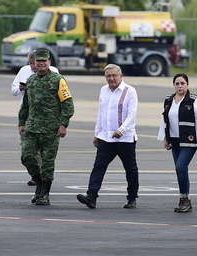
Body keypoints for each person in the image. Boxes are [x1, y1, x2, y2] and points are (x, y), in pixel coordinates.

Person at [77, 64, 139, 209]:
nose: (111, 78)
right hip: (106, 138)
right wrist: (97, 134)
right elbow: (101, 114)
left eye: (114, 75)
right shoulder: (103, 90)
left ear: (120, 76)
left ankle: (132, 198)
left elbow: (132, 115)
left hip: (125, 138)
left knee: (130, 169)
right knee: (98, 167)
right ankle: (91, 197)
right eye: (108, 76)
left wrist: (121, 130)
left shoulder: (129, 91)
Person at [18, 48, 74, 206]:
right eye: (38, 61)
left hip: (51, 129)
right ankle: (39, 184)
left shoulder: (58, 80)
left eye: (44, 61)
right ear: (34, 63)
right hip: (32, 128)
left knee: (47, 164)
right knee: (27, 157)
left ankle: (44, 194)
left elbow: (68, 105)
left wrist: (63, 125)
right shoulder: (31, 81)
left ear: (49, 62)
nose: (41, 64)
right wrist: (22, 123)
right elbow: (25, 105)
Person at [157, 73, 197, 213]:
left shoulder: (193, 100)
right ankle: (184, 199)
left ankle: (185, 199)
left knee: (181, 166)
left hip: (189, 140)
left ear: (187, 85)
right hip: (174, 141)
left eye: (182, 83)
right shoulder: (168, 100)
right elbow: (165, 120)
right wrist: (165, 138)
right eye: (177, 83)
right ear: (174, 85)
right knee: (180, 170)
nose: (180, 86)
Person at [11, 51, 59, 186]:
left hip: (47, 117)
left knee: (45, 151)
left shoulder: (54, 73)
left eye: (36, 63)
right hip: (29, 116)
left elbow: (61, 94)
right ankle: (36, 175)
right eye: (31, 63)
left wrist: (62, 122)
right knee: (27, 152)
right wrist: (21, 88)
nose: (33, 66)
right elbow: (14, 91)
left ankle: (43, 180)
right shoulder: (25, 72)